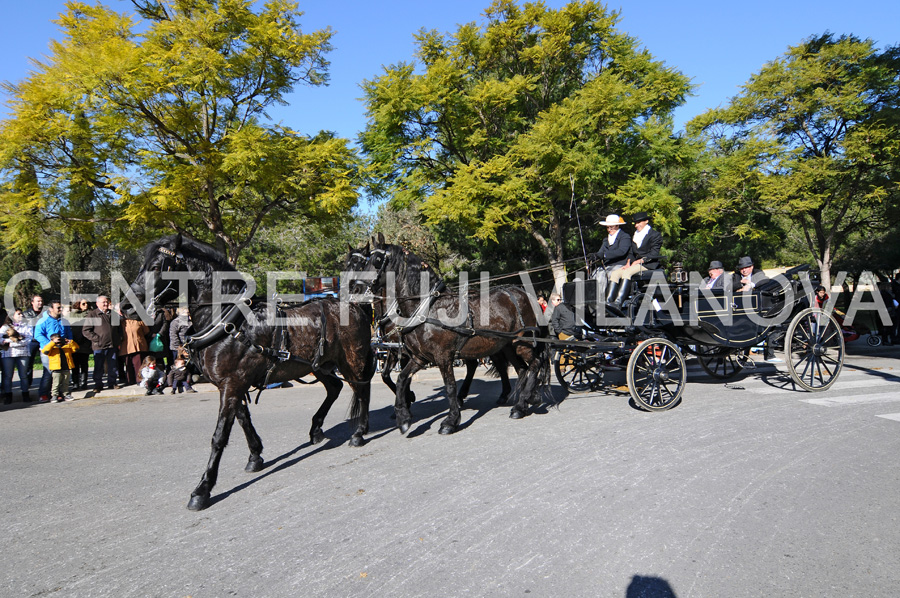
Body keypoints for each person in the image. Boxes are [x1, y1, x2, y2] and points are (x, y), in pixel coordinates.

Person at [606, 212, 664, 308]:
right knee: (615, 273)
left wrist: (639, 261)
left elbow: (654, 254)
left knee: (627, 273)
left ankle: (618, 302)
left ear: (646, 221)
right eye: (635, 223)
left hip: (648, 263)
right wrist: (628, 263)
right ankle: (608, 301)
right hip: (635, 264)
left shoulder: (655, 235)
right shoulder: (635, 235)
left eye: (638, 222)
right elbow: (631, 253)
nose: (636, 225)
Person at [33, 300, 72, 402]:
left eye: (61, 308)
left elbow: (69, 333)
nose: (60, 309)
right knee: (49, 373)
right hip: (48, 351)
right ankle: (43, 394)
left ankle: (59, 393)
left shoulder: (64, 321)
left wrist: (69, 342)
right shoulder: (43, 321)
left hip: (61, 350)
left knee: (61, 372)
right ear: (51, 309)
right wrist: (50, 344)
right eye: (58, 308)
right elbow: (38, 335)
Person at [82, 295, 122, 392]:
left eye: (107, 302)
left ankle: (112, 383)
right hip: (99, 346)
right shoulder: (92, 314)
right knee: (98, 366)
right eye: (103, 302)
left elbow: (119, 329)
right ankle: (98, 384)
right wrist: (97, 339)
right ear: (97, 303)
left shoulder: (113, 314)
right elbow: (86, 330)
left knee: (112, 365)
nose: (105, 304)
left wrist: (118, 339)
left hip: (112, 345)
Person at [1, 310, 34, 403]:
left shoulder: (27, 326)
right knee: (8, 376)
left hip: (23, 353)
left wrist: (9, 342)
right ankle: (8, 396)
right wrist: (17, 341)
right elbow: (1, 340)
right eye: (18, 314)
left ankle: (25, 394)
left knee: (23, 375)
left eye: (21, 314)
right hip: (8, 354)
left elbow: (28, 340)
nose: (21, 315)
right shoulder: (5, 327)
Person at [592, 215, 631, 290]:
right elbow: (601, 252)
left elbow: (622, 251)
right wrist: (595, 256)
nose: (609, 229)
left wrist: (605, 255)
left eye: (611, 227)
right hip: (607, 265)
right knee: (596, 273)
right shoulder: (606, 239)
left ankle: (603, 297)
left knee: (606, 275)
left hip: (620, 264)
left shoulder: (625, 237)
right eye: (607, 227)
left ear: (617, 226)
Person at [41, 333, 78, 402]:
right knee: (56, 383)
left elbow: (75, 349)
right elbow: (45, 351)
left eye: (59, 339)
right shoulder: (51, 347)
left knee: (65, 383)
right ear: (52, 340)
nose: (59, 341)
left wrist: (71, 342)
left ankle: (66, 394)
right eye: (57, 339)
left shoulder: (66, 346)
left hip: (66, 367)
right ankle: (54, 395)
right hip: (56, 368)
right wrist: (53, 343)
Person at [67, 300, 92, 390]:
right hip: (74, 342)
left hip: (85, 342)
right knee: (75, 365)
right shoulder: (71, 315)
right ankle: (75, 383)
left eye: (87, 304)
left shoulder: (90, 314)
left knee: (84, 364)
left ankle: (84, 382)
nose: (86, 305)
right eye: (83, 304)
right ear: (78, 304)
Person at [120, 316, 150, 386]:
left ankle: (139, 379)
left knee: (138, 363)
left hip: (139, 344)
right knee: (128, 363)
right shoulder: (122, 322)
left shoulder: (140, 320)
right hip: (126, 346)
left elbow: (146, 331)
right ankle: (130, 380)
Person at [23, 294, 44, 388]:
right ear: (32, 302)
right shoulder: (26, 314)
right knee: (28, 363)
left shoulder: (46, 313)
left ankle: (46, 384)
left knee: (47, 363)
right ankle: (27, 385)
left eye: (41, 301)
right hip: (32, 341)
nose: (40, 303)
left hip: (43, 340)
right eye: (38, 301)